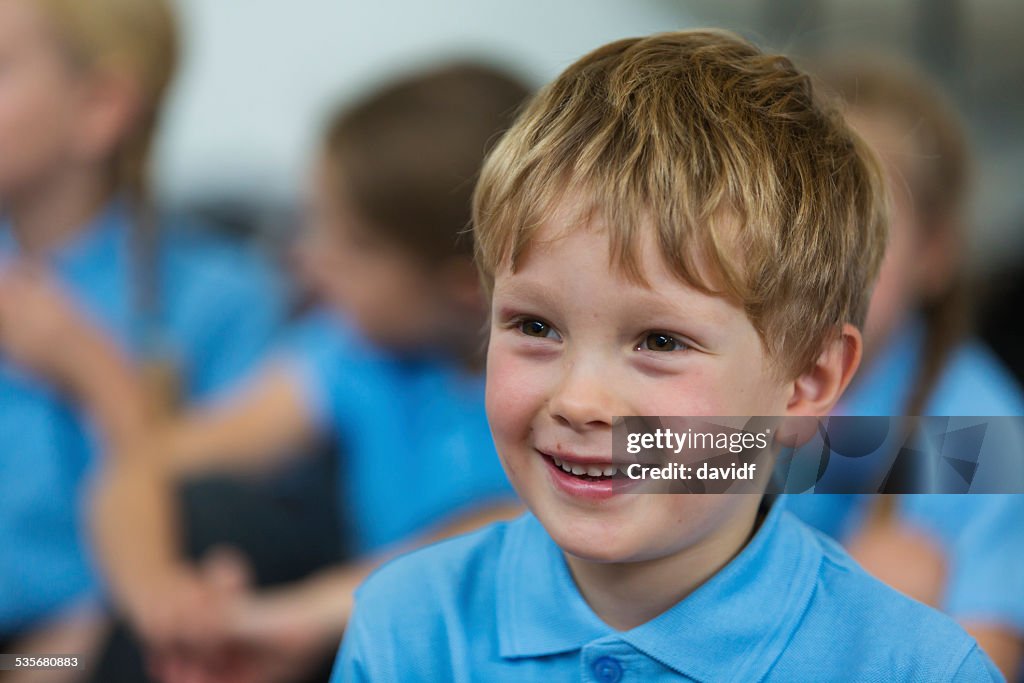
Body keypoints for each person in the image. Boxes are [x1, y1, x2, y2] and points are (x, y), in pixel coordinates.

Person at [333, 31, 1002, 681]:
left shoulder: (923, 651)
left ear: (810, 379)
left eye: (659, 341)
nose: (578, 399)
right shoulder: (405, 627)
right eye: (536, 325)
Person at [13, 63, 531, 681]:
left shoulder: (567, 380)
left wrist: (316, 609)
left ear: (467, 292)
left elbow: (557, 509)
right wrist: (162, 599)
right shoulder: (351, 354)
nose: (310, 256)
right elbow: (143, 464)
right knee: (197, 518)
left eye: (357, 244)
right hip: (339, 632)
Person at [0, 0, 283, 679]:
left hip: (84, 650)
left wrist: (87, 366)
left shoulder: (223, 296)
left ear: (101, 107)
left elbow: (223, 525)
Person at [783, 56, 1024, 680]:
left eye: (869, 234)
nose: (827, 264)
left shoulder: (975, 430)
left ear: (936, 253)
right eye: (799, 225)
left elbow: (989, 662)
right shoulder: (712, 369)